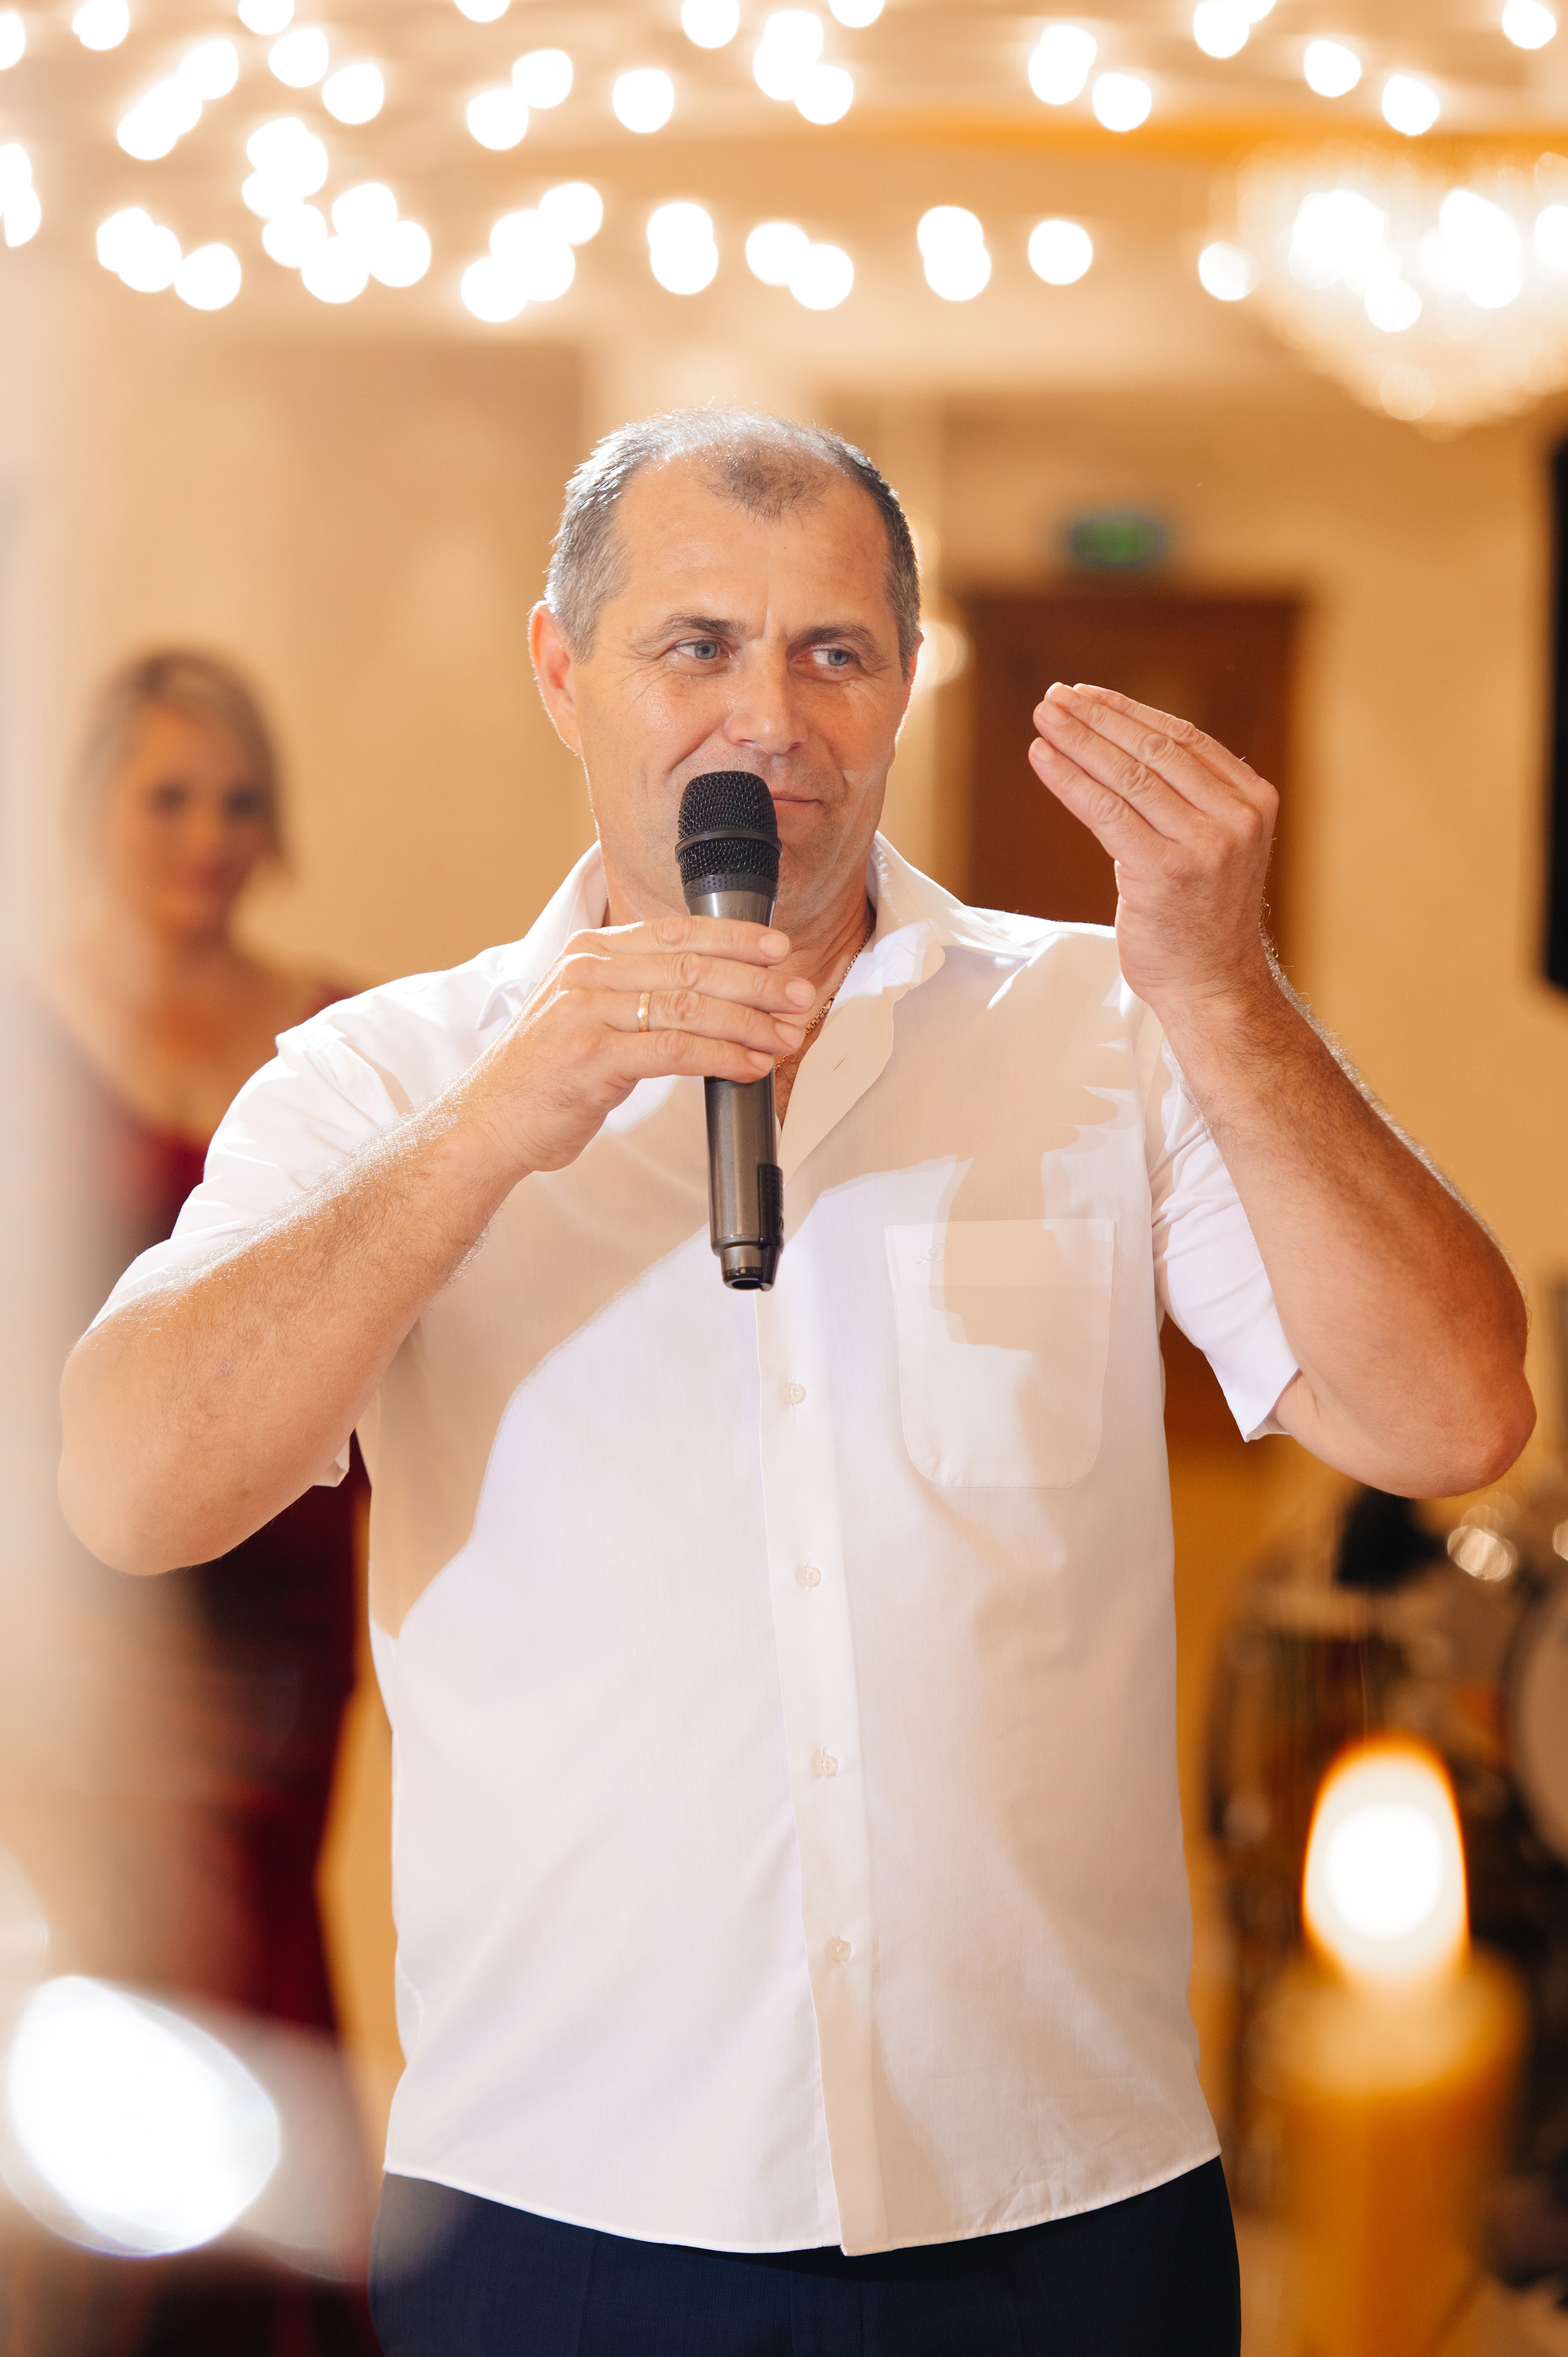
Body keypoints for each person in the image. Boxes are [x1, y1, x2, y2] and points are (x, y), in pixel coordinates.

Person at [58, 417, 1533, 2356]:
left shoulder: (1106, 1026)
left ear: (906, 681)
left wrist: (1226, 991)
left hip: (1063, 2204)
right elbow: (129, 1491)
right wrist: (499, 1127)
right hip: (561, 2214)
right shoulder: (388, 1077)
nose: (769, 716)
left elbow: (1452, 1418)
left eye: (833, 651)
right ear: (563, 671)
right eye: (697, 647)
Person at [8, 651, 377, 2355]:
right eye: (170, 797)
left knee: (260, 1932)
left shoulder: (332, 1032)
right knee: (113, 1942)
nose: (209, 838)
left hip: (289, 1566)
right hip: (76, 1571)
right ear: (97, 810)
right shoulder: (25, 1032)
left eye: (239, 803)